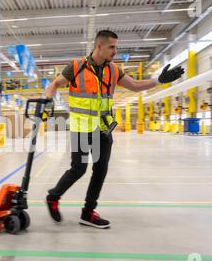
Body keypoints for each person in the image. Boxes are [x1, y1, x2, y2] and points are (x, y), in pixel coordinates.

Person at [44, 30, 184, 229]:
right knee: (79, 168)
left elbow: (135, 85)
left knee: (100, 170)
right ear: (98, 46)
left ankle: (88, 212)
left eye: (116, 47)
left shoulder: (113, 70)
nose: (115, 51)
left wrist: (158, 80)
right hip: (82, 128)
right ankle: (53, 197)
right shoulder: (76, 67)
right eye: (112, 47)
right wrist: (47, 99)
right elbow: (55, 84)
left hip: (103, 129)